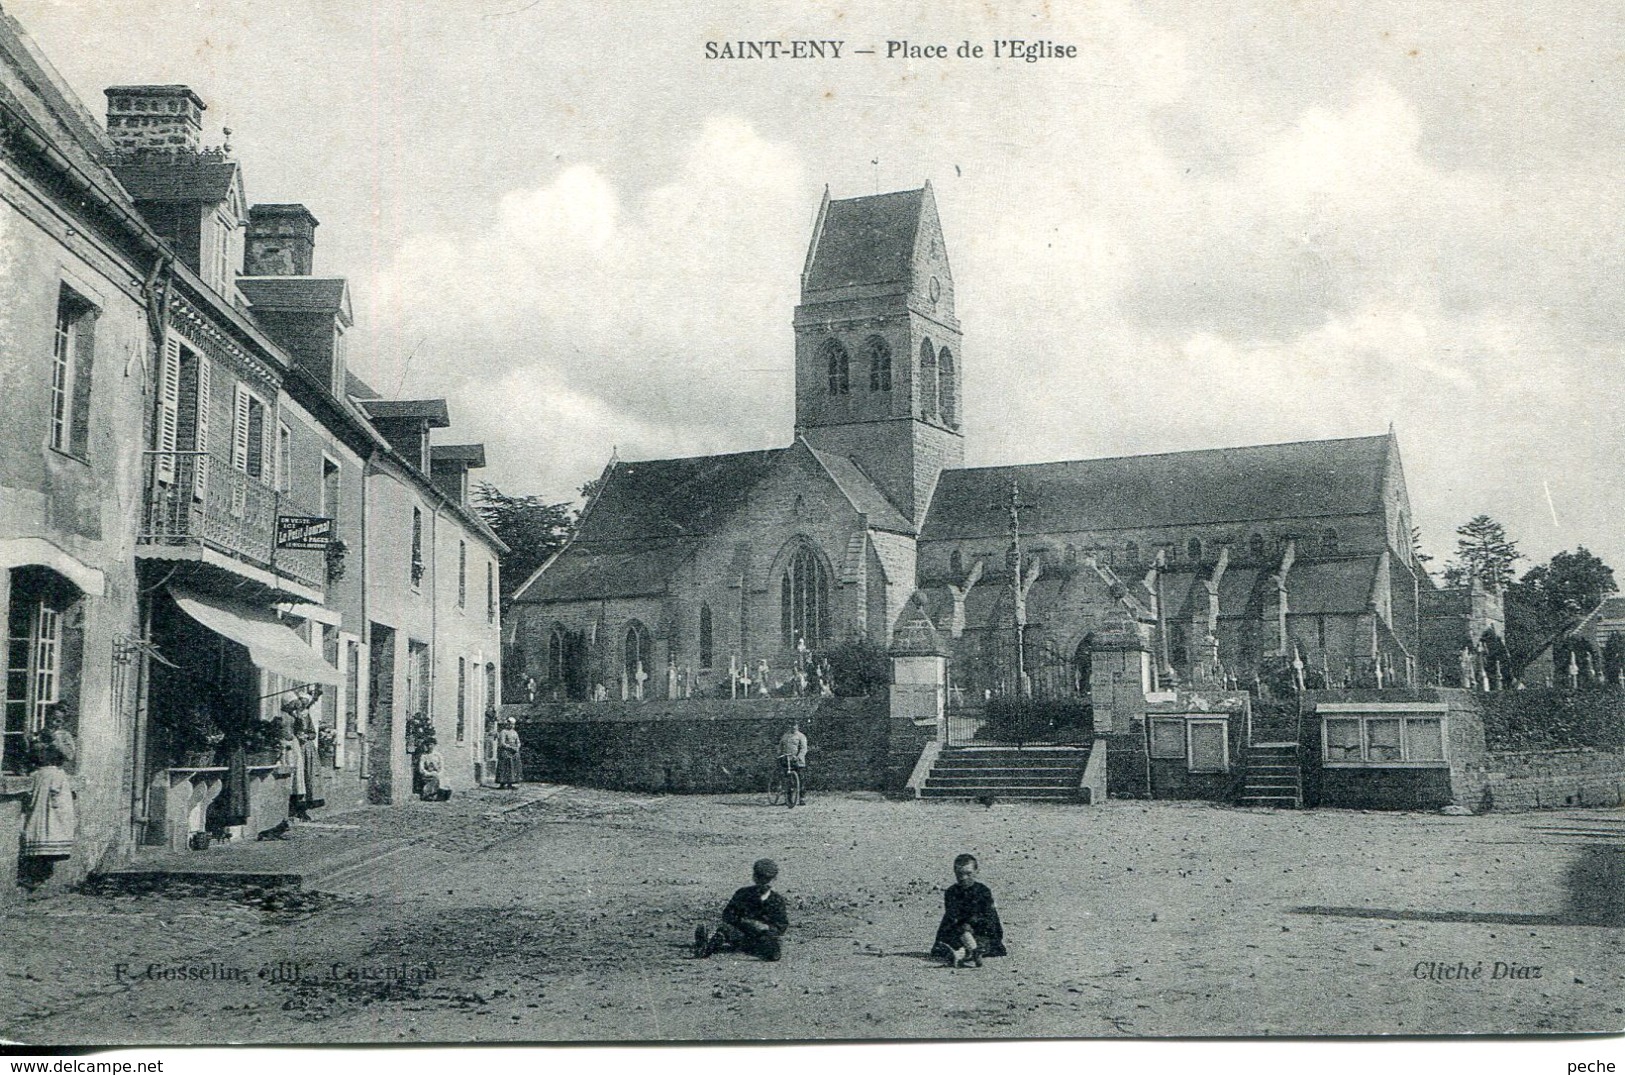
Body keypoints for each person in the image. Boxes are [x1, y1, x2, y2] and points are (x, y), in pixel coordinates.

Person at [694, 858, 788, 962]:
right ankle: (707, 947)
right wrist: (744, 921)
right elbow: (727, 915)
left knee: (772, 948)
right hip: (741, 933)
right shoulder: (742, 894)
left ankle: (768, 951)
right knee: (725, 930)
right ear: (754, 877)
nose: (764, 883)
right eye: (760, 878)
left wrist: (765, 927)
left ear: (774, 879)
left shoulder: (777, 900)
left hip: (760, 936)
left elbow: (781, 926)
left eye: (767, 880)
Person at [932, 853, 1006, 968]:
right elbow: (951, 915)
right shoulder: (951, 892)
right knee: (942, 946)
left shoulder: (983, 891)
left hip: (982, 930)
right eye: (959, 874)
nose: (963, 878)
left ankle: (967, 952)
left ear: (976, 872)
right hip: (960, 930)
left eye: (968, 873)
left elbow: (988, 917)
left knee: (986, 943)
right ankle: (968, 952)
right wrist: (961, 928)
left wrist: (971, 924)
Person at [21, 738, 75, 860]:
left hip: (46, 807)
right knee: (49, 825)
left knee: (44, 825)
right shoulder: (55, 774)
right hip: (50, 808)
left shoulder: (39, 774)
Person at [777, 720, 808, 802]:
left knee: (801, 779)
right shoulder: (785, 736)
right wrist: (779, 755)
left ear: (797, 726)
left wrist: (798, 757)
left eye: (794, 725)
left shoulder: (801, 736)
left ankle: (802, 798)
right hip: (787, 761)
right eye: (791, 725)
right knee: (788, 780)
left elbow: (804, 749)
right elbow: (780, 746)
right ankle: (789, 799)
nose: (793, 727)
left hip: (798, 761)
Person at [495, 717, 522, 789]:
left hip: (514, 752)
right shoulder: (503, 732)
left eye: (513, 724)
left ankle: (511, 783)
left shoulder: (515, 732)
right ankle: (502, 783)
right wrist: (510, 748)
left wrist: (517, 747)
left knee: (513, 768)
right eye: (511, 724)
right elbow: (502, 743)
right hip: (506, 752)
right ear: (508, 724)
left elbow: (518, 742)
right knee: (504, 767)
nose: (512, 726)